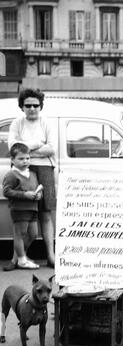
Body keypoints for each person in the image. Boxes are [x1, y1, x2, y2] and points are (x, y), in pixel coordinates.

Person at [4, 88, 56, 270]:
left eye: (36, 105)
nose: (32, 108)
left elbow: (51, 148)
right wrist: (36, 146)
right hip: (20, 171)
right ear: (22, 107)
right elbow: (13, 146)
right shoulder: (16, 124)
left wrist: (25, 150)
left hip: (45, 169)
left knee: (46, 213)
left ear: (40, 106)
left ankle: (50, 255)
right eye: (28, 105)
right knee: (22, 216)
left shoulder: (46, 123)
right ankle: (16, 257)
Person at [2, 143, 43, 269]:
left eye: (27, 158)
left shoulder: (32, 174)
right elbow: (7, 191)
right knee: (20, 234)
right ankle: (21, 259)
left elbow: (36, 189)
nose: (25, 161)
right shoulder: (11, 174)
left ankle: (22, 256)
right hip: (19, 209)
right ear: (12, 160)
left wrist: (38, 195)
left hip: (32, 209)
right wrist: (25, 195)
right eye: (21, 159)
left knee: (33, 234)